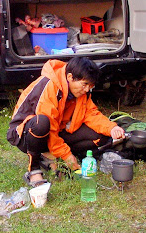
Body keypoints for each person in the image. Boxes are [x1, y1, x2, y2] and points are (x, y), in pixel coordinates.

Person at [7, 57, 125, 186]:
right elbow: (49, 127)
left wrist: (112, 128)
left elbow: (91, 114)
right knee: (41, 123)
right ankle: (34, 170)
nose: (87, 89)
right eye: (84, 84)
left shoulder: (81, 92)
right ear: (70, 77)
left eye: (90, 86)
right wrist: (66, 155)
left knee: (99, 135)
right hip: (24, 134)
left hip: (56, 131)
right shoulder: (49, 85)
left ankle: (51, 157)